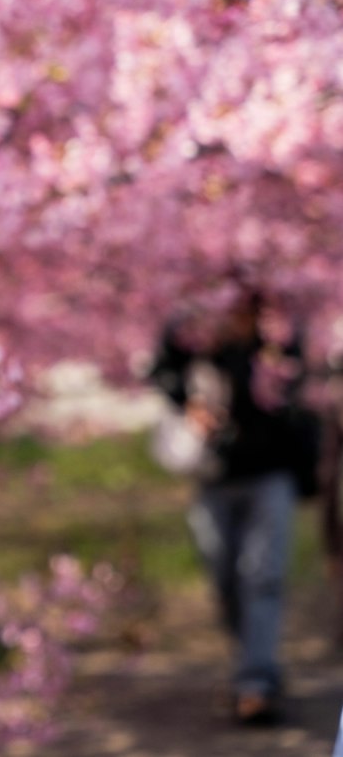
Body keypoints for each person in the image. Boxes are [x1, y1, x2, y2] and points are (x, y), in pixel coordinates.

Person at [151, 287, 306, 726]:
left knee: (264, 575)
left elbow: (295, 388)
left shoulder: (279, 329)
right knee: (224, 575)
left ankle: (255, 681)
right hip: (213, 475)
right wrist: (189, 405)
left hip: (270, 472)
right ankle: (253, 661)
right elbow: (163, 370)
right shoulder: (192, 330)